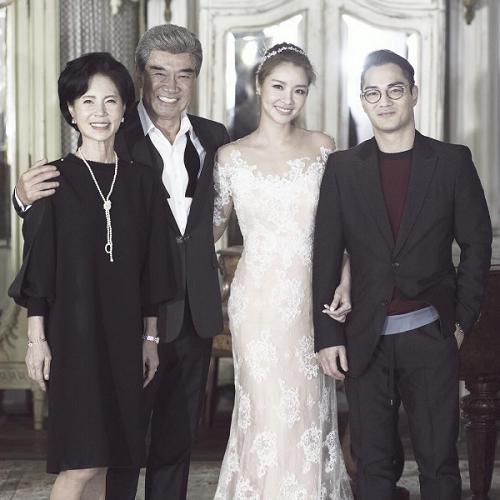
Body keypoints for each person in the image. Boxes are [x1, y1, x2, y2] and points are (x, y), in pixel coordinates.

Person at [13, 25, 230, 500]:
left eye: (184, 74)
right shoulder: (114, 129)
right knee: (116, 450)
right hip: (117, 318)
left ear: (195, 79)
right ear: (140, 76)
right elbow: (52, 216)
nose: (171, 85)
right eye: (159, 72)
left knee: (176, 443)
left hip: (192, 309)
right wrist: (21, 197)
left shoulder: (215, 138)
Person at [313, 49, 492, 500]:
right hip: (364, 339)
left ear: (413, 93)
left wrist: (460, 321)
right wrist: (327, 335)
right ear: (363, 101)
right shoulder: (342, 168)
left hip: (431, 333)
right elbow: (326, 254)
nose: (385, 101)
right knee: (372, 467)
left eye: (395, 90)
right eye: (373, 93)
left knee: (439, 464)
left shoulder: (451, 161)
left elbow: (477, 245)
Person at [8, 52, 174, 500]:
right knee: (81, 463)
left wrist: (150, 338)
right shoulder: (52, 180)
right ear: (71, 110)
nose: (99, 112)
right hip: (72, 339)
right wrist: (37, 341)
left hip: (124, 339)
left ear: (124, 109)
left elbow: (153, 271)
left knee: (109, 460)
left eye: (110, 101)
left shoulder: (143, 182)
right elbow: (39, 269)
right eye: (87, 101)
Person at [212, 42, 353, 500]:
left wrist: (346, 279)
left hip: (314, 298)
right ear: (258, 85)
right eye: (278, 86)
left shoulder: (323, 147)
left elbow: (344, 227)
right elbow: (207, 230)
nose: (287, 99)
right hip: (257, 303)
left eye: (299, 90)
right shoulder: (230, 157)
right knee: (266, 413)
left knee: (308, 413)